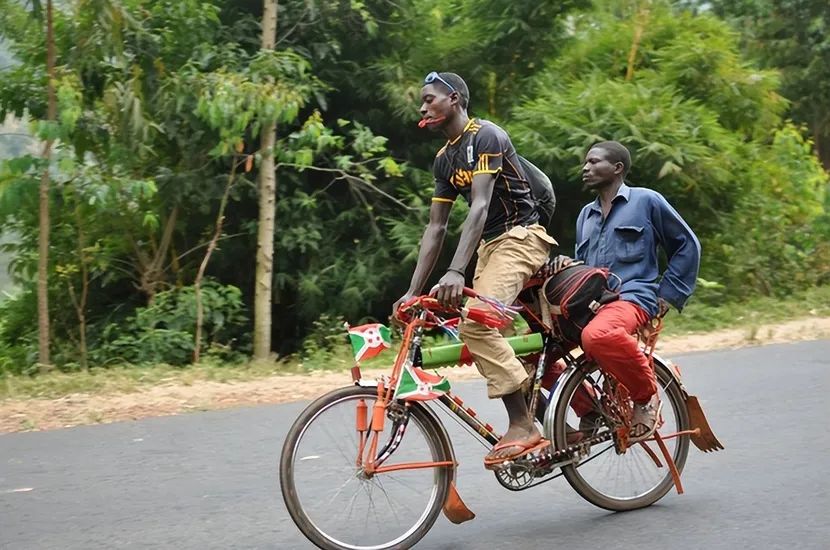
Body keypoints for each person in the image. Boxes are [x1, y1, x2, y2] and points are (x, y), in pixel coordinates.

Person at [392, 71, 556, 467]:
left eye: (430, 99)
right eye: (422, 101)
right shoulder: (444, 159)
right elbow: (436, 227)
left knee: (477, 323)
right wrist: (414, 290)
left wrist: (455, 272)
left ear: (455, 98)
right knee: (481, 329)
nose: (423, 107)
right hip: (489, 248)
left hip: (521, 237)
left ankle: (524, 425)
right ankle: (545, 407)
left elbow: (480, 206)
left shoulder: (486, 135)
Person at [566, 140, 701, 441]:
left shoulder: (646, 201)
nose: (585, 168)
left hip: (632, 296)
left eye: (593, 162)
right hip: (593, 304)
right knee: (534, 349)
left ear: (617, 168)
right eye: (585, 163)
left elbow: (687, 244)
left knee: (597, 336)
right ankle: (590, 409)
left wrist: (668, 293)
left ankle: (645, 396)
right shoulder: (585, 215)